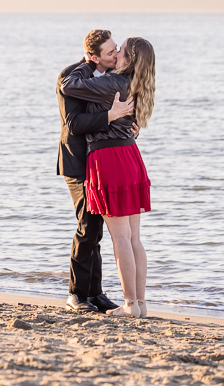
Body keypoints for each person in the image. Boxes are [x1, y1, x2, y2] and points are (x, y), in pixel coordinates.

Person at [59, 36, 155, 317]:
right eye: (112, 51)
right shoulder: (137, 81)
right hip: (130, 155)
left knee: (121, 239)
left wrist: (85, 62)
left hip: (110, 158)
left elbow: (70, 84)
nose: (116, 54)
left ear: (129, 58)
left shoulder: (113, 82)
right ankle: (140, 304)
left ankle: (129, 304)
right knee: (134, 238)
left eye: (120, 50)